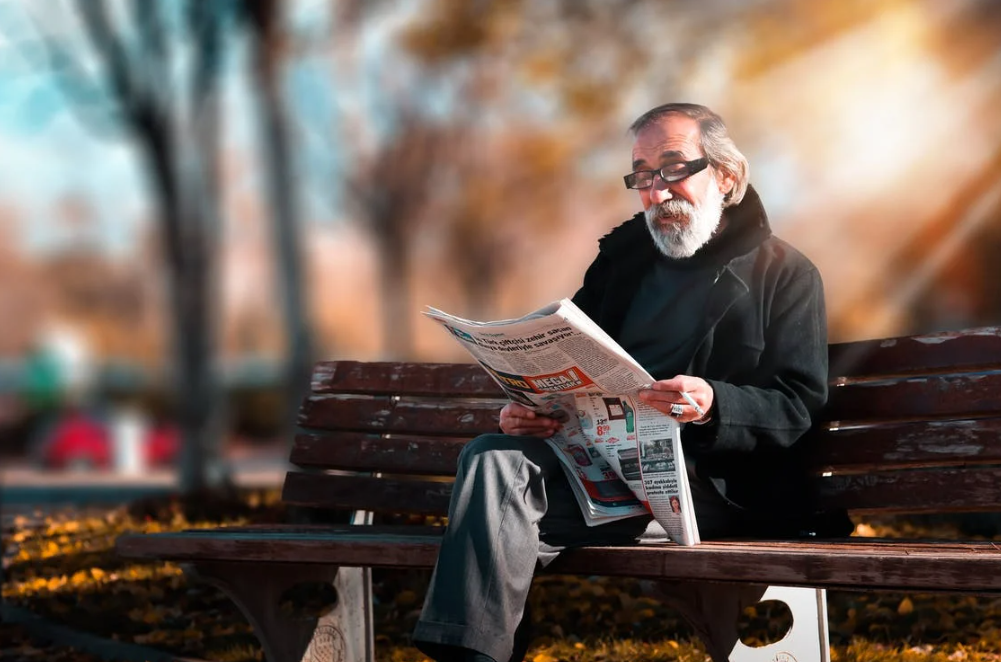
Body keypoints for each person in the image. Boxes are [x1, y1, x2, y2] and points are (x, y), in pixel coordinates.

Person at [412, 103, 850, 662]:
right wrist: (530, 410)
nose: (655, 191)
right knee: (494, 457)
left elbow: (798, 406)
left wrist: (715, 403)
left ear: (727, 176)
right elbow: (565, 355)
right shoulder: (619, 267)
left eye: (672, 168)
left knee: (503, 521)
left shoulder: (784, 274)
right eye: (641, 175)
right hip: (605, 474)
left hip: (713, 486)